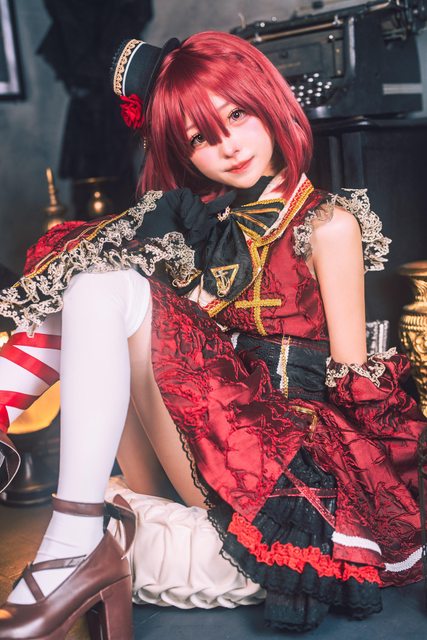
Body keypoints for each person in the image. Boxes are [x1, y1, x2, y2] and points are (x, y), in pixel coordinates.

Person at [0, 30, 426, 638]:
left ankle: (69, 539)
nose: (228, 147)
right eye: (199, 138)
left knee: (107, 280)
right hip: (192, 442)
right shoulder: (205, 227)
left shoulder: (329, 224)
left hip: (278, 466)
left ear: (268, 102)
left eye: (237, 115)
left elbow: (356, 385)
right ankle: (70, 534)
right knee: (96, 277)